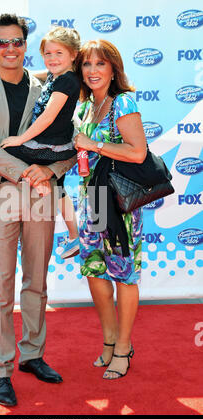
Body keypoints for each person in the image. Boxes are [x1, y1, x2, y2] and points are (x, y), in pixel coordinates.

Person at [0, 14, 77, 406]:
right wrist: (24, 172)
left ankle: (32, 355)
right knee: (0, 287)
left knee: (37, 282)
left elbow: (69, 141)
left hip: (42, 192)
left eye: (17, 42)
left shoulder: (49, 84)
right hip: (1, 195)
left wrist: (49, 169)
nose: (10, 49)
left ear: (26, 46)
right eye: (2, 42)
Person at [0, 26, 81, 260]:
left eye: (58, 54)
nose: (52, 59)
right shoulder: (60, 75)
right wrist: (1, 69)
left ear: (73, 55)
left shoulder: (67, 82)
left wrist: (21, 138)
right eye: (48, 54)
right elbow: (37, 75)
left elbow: (48, 116)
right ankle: (74, 235)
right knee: (59, 189)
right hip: (55, 146)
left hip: (46, 148)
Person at [74, 39, 147, 380]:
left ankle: (124, 347)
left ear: (113, 69)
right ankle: (108, 341)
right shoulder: (87, 105)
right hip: (91, 201)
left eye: (100, 64)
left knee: (124, 275)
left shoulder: (124, 102)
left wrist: (95, 144)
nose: (92, 71)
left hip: (118, 204)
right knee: (95, 271)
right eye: (86, 65)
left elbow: (138, 153)